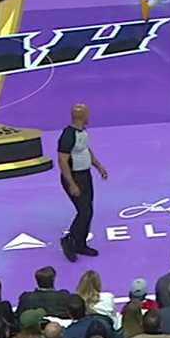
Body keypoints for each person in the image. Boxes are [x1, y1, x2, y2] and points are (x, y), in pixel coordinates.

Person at [57, 104, 107, 263]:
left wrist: (98, 166)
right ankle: (69, 240)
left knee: (88, 211)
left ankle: (80, 244)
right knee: (84, 211)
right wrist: (71, 183)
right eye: (87, 114)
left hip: (85, 176)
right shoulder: (68, 135)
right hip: (75, 177)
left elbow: (86, 150)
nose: (89, 116)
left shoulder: (83, 131)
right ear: (82, 116)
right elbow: (62, 160)